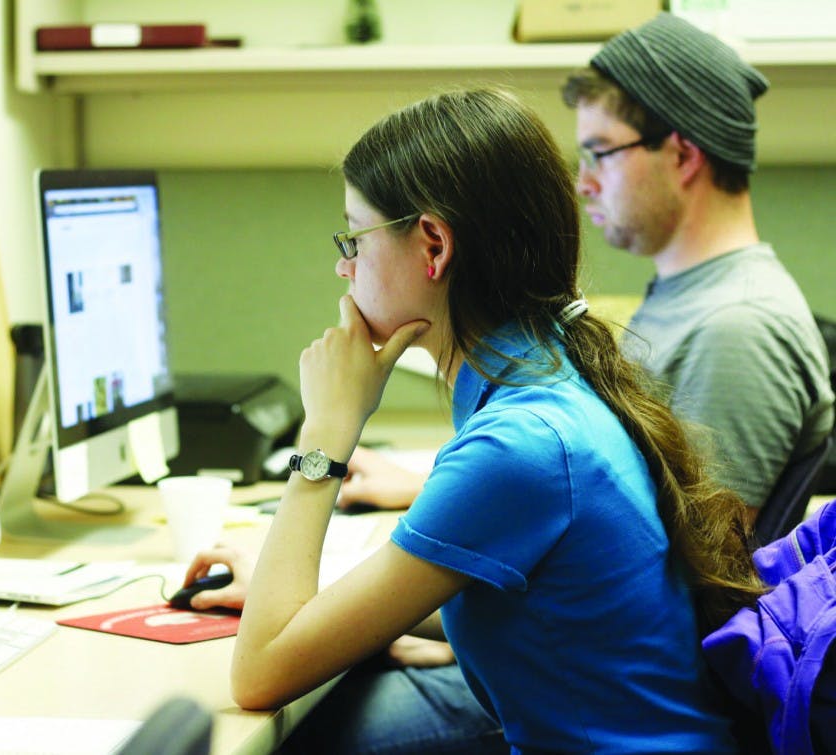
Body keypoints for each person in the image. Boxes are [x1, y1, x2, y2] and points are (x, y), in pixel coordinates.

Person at [184, 85, 765, 752]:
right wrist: (304, 607)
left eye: (354, 235)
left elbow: (260, 672)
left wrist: (326, 433)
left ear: (432, 244)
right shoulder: (550, 382)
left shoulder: (520, 446)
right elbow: (528, 600)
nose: (343, 266)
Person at [562, 12, 834, 520]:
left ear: (683, 156)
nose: (584, 184)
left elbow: (698, 579)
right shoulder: (689, 295)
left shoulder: (737, 328)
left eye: (600, 154)